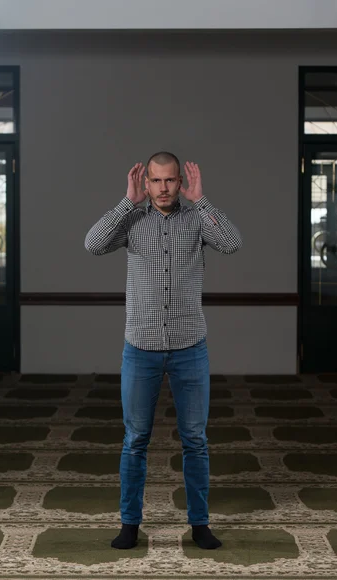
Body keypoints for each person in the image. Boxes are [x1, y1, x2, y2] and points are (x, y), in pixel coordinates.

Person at [84, 151, 242, 550]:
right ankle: (130, 525)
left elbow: (232, 243)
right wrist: (127, 201)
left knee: (195, 440)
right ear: (147, 182)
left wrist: (202, 199)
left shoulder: (195, 218)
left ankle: (200, 524)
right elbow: (93, 244)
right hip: (141, 347)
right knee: (135, 439)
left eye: (170, 180)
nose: (164, 187)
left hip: (191, 347)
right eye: (156, 180)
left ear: (180, 182)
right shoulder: (133, 220)